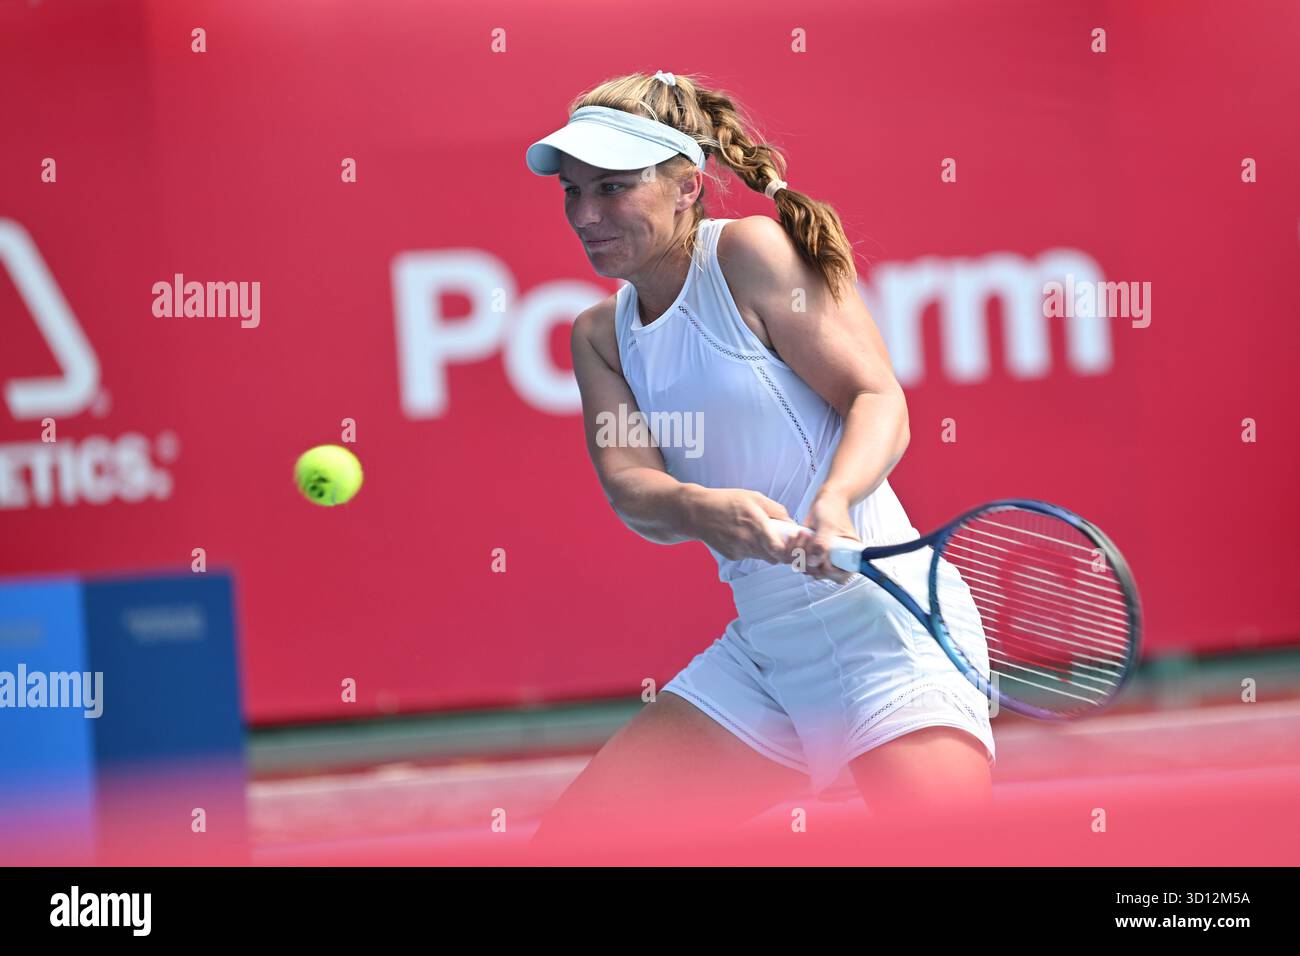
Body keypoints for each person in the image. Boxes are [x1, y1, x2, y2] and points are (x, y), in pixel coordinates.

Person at [524, 71, 995, 853]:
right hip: (769, 655)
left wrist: (837, 503)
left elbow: (877, 397)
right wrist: (701, 509)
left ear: (684, 186)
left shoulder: (748, 253)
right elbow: (631, 486)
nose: (585, 214)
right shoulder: (599, 335)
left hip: (889, 631)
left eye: (611, 188)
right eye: (572, 191)